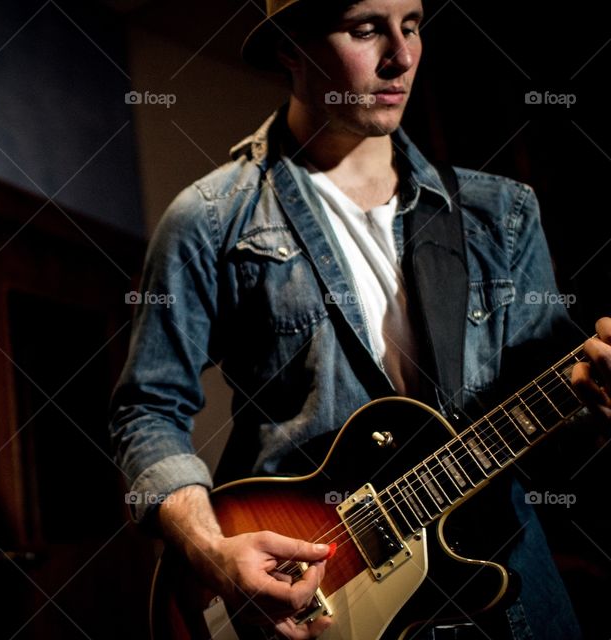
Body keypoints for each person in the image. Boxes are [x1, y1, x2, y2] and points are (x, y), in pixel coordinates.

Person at [109, 0, 611, 638]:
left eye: (412, 25)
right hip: (317, 590)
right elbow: (146, 408)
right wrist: (211, 554)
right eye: (366, 28)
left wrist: (595, 402)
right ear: (290, 46)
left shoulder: (501, 213)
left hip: (505, 587)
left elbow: (554, 428)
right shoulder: (209, 218)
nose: (401, 56)